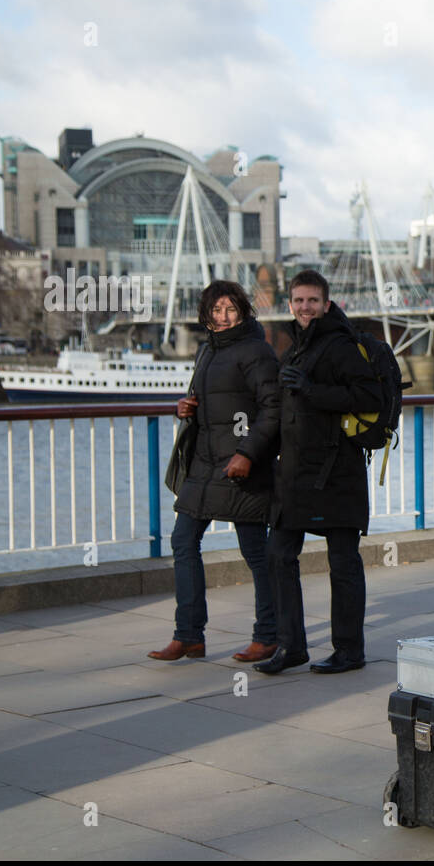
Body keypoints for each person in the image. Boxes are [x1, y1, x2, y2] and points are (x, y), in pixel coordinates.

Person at [254, 270, 382, 675]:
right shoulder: (295, 348)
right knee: (278, 555)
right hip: (295, 474)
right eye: (299, 300)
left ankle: (350, 650)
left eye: (312, 300)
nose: (305, 307)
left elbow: (369, 396)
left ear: (326, 304)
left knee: (343, 562)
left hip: (337, 471)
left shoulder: (340, 345)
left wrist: (311, 390)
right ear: (289, 304)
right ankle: (291, 646)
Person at [149, 280, 281, 662]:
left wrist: (247, 454)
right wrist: (187, 407)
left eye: (230, 309)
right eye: (216, 310)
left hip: (241, 465)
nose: (223, 317)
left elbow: (273, 408)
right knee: (182, 541)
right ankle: (188, 635)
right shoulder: (206, 349)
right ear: (205, 314)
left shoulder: (257, 351)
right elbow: (214, 402)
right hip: (204, 465)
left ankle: (268, 635)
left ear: (243, 311)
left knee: (254, 551)